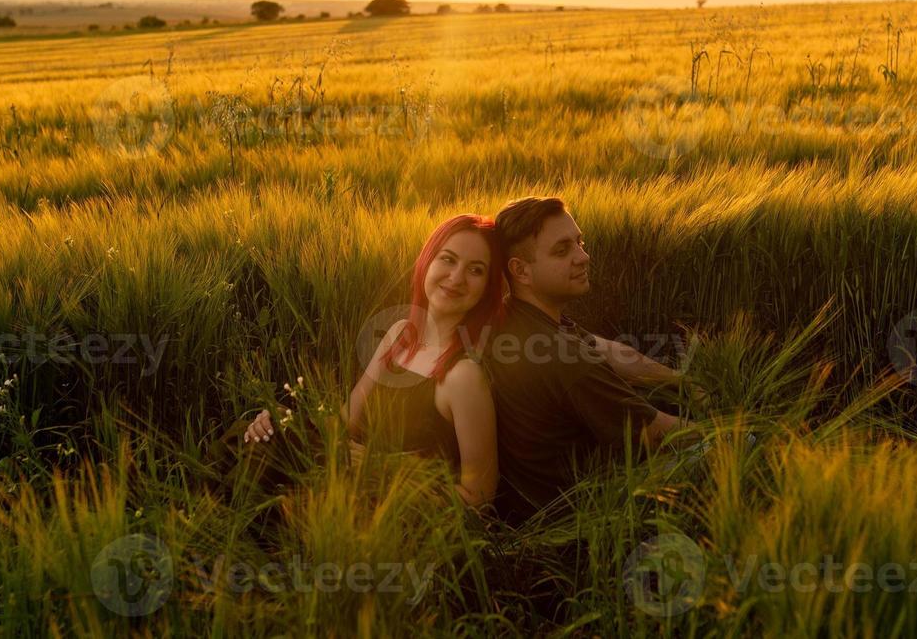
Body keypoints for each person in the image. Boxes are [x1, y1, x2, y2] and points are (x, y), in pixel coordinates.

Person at [242, 214, 504, 508]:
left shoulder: (463, 376)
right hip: (346, 482)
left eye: (476, 270)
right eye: (448, 259)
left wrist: (381, 468)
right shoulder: (399, 335)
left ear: (486, 289)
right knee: (258, 440)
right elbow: (345, 424)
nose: (456, 278)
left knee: (278, 498)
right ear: (427, 261)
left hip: (391, 514)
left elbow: (478, 499)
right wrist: (285, 421)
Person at [482, 196, 688, 522]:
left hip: (534, 502)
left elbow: (615, 352)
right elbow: (656, 432)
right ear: (520, 271)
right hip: (580, 518)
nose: (584, 257)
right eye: (562, 250)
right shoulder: (564, 358)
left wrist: (686, 383)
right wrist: (737, 429)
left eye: (580, 242)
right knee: (723, 448)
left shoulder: (515, 317)